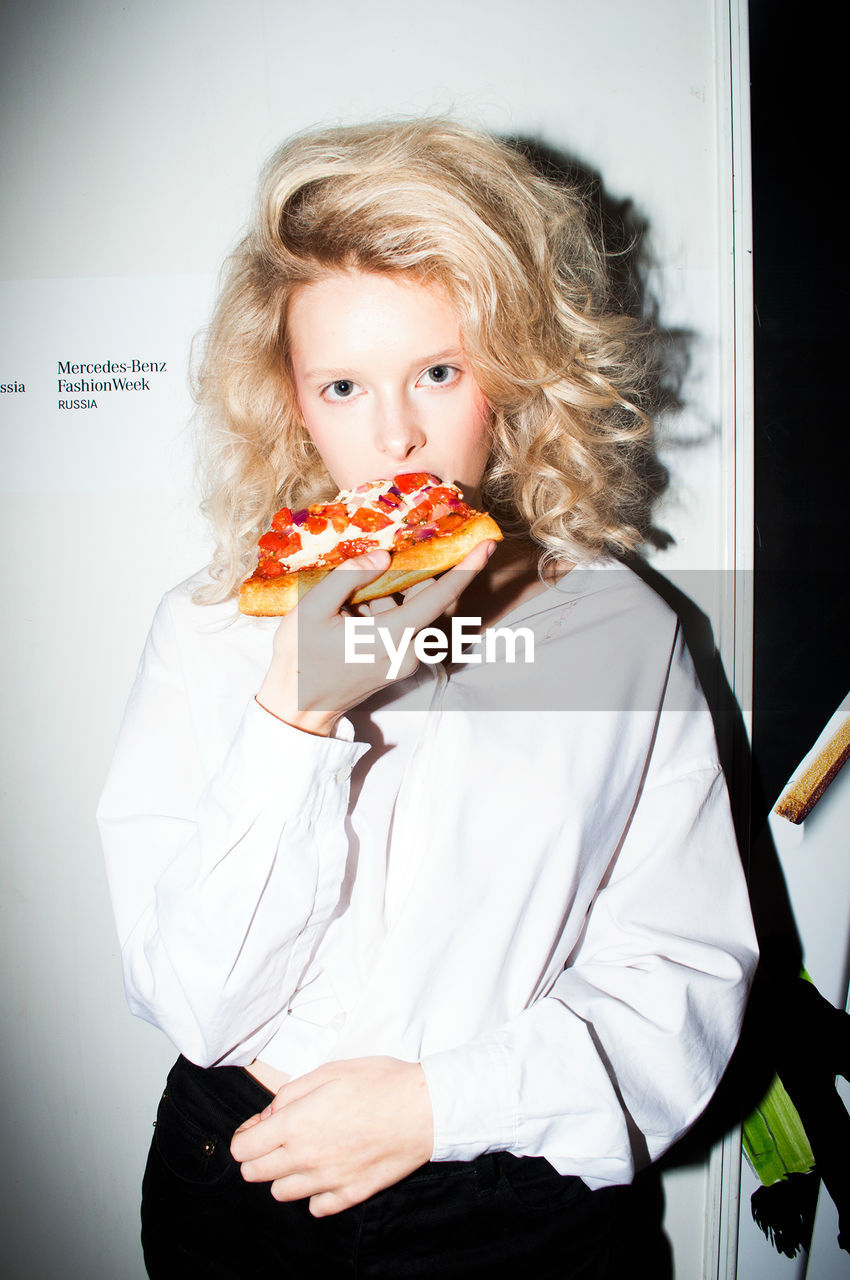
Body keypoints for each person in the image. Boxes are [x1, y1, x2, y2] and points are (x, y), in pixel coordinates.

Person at [98, 118, 758, 1278]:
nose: (394, 435)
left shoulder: (620, 634)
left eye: (438, 372)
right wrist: (294, 712)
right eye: (343, 384)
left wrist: (438, 1104)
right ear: (293, 398)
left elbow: (683, 981)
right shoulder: (209, 627)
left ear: (514, 364)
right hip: (237, 1173)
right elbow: (196, 1000)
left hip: (511, 1195)